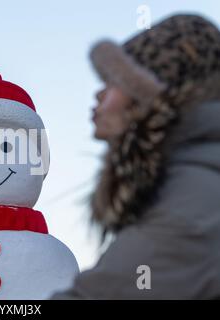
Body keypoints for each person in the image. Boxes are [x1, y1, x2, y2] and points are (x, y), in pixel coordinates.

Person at [54, 14, 220, 299]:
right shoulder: (185, 176)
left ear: (151, 95)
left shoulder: (191, 200)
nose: (99, 94)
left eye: (115, 81)